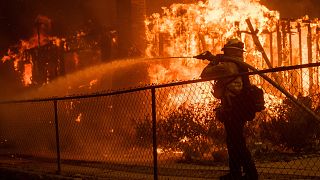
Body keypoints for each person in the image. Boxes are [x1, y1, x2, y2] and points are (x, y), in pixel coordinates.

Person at [197, 39, 258, 180]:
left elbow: (205, 74)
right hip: (239, 107)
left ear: (230, 51)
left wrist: (213, 61)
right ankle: (236, 173)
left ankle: (250, 174)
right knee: (233, 141)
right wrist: (216, 59)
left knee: (237, 142)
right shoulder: (240, 66)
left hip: (233, 108)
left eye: (226, 51)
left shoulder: (227, 66)